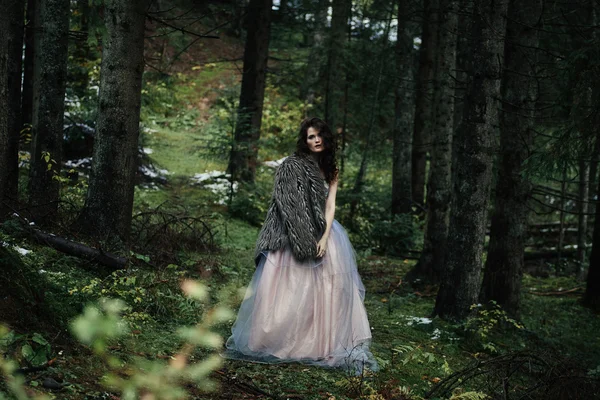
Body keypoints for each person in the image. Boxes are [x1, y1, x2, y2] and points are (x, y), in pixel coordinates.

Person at [223, 117, 377, 374]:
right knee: (290, 288)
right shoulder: (293, 166)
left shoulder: (331, 169)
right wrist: (302, 234)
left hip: (324, 229)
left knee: (328, 288)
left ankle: (319, 344)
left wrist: (325, 236)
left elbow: (330, 205)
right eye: (310, 137)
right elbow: (288, 203)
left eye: (319, 136)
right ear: (304, 141)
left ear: (326, 138)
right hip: (293, 230)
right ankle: (281, 339)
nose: (315, 140)